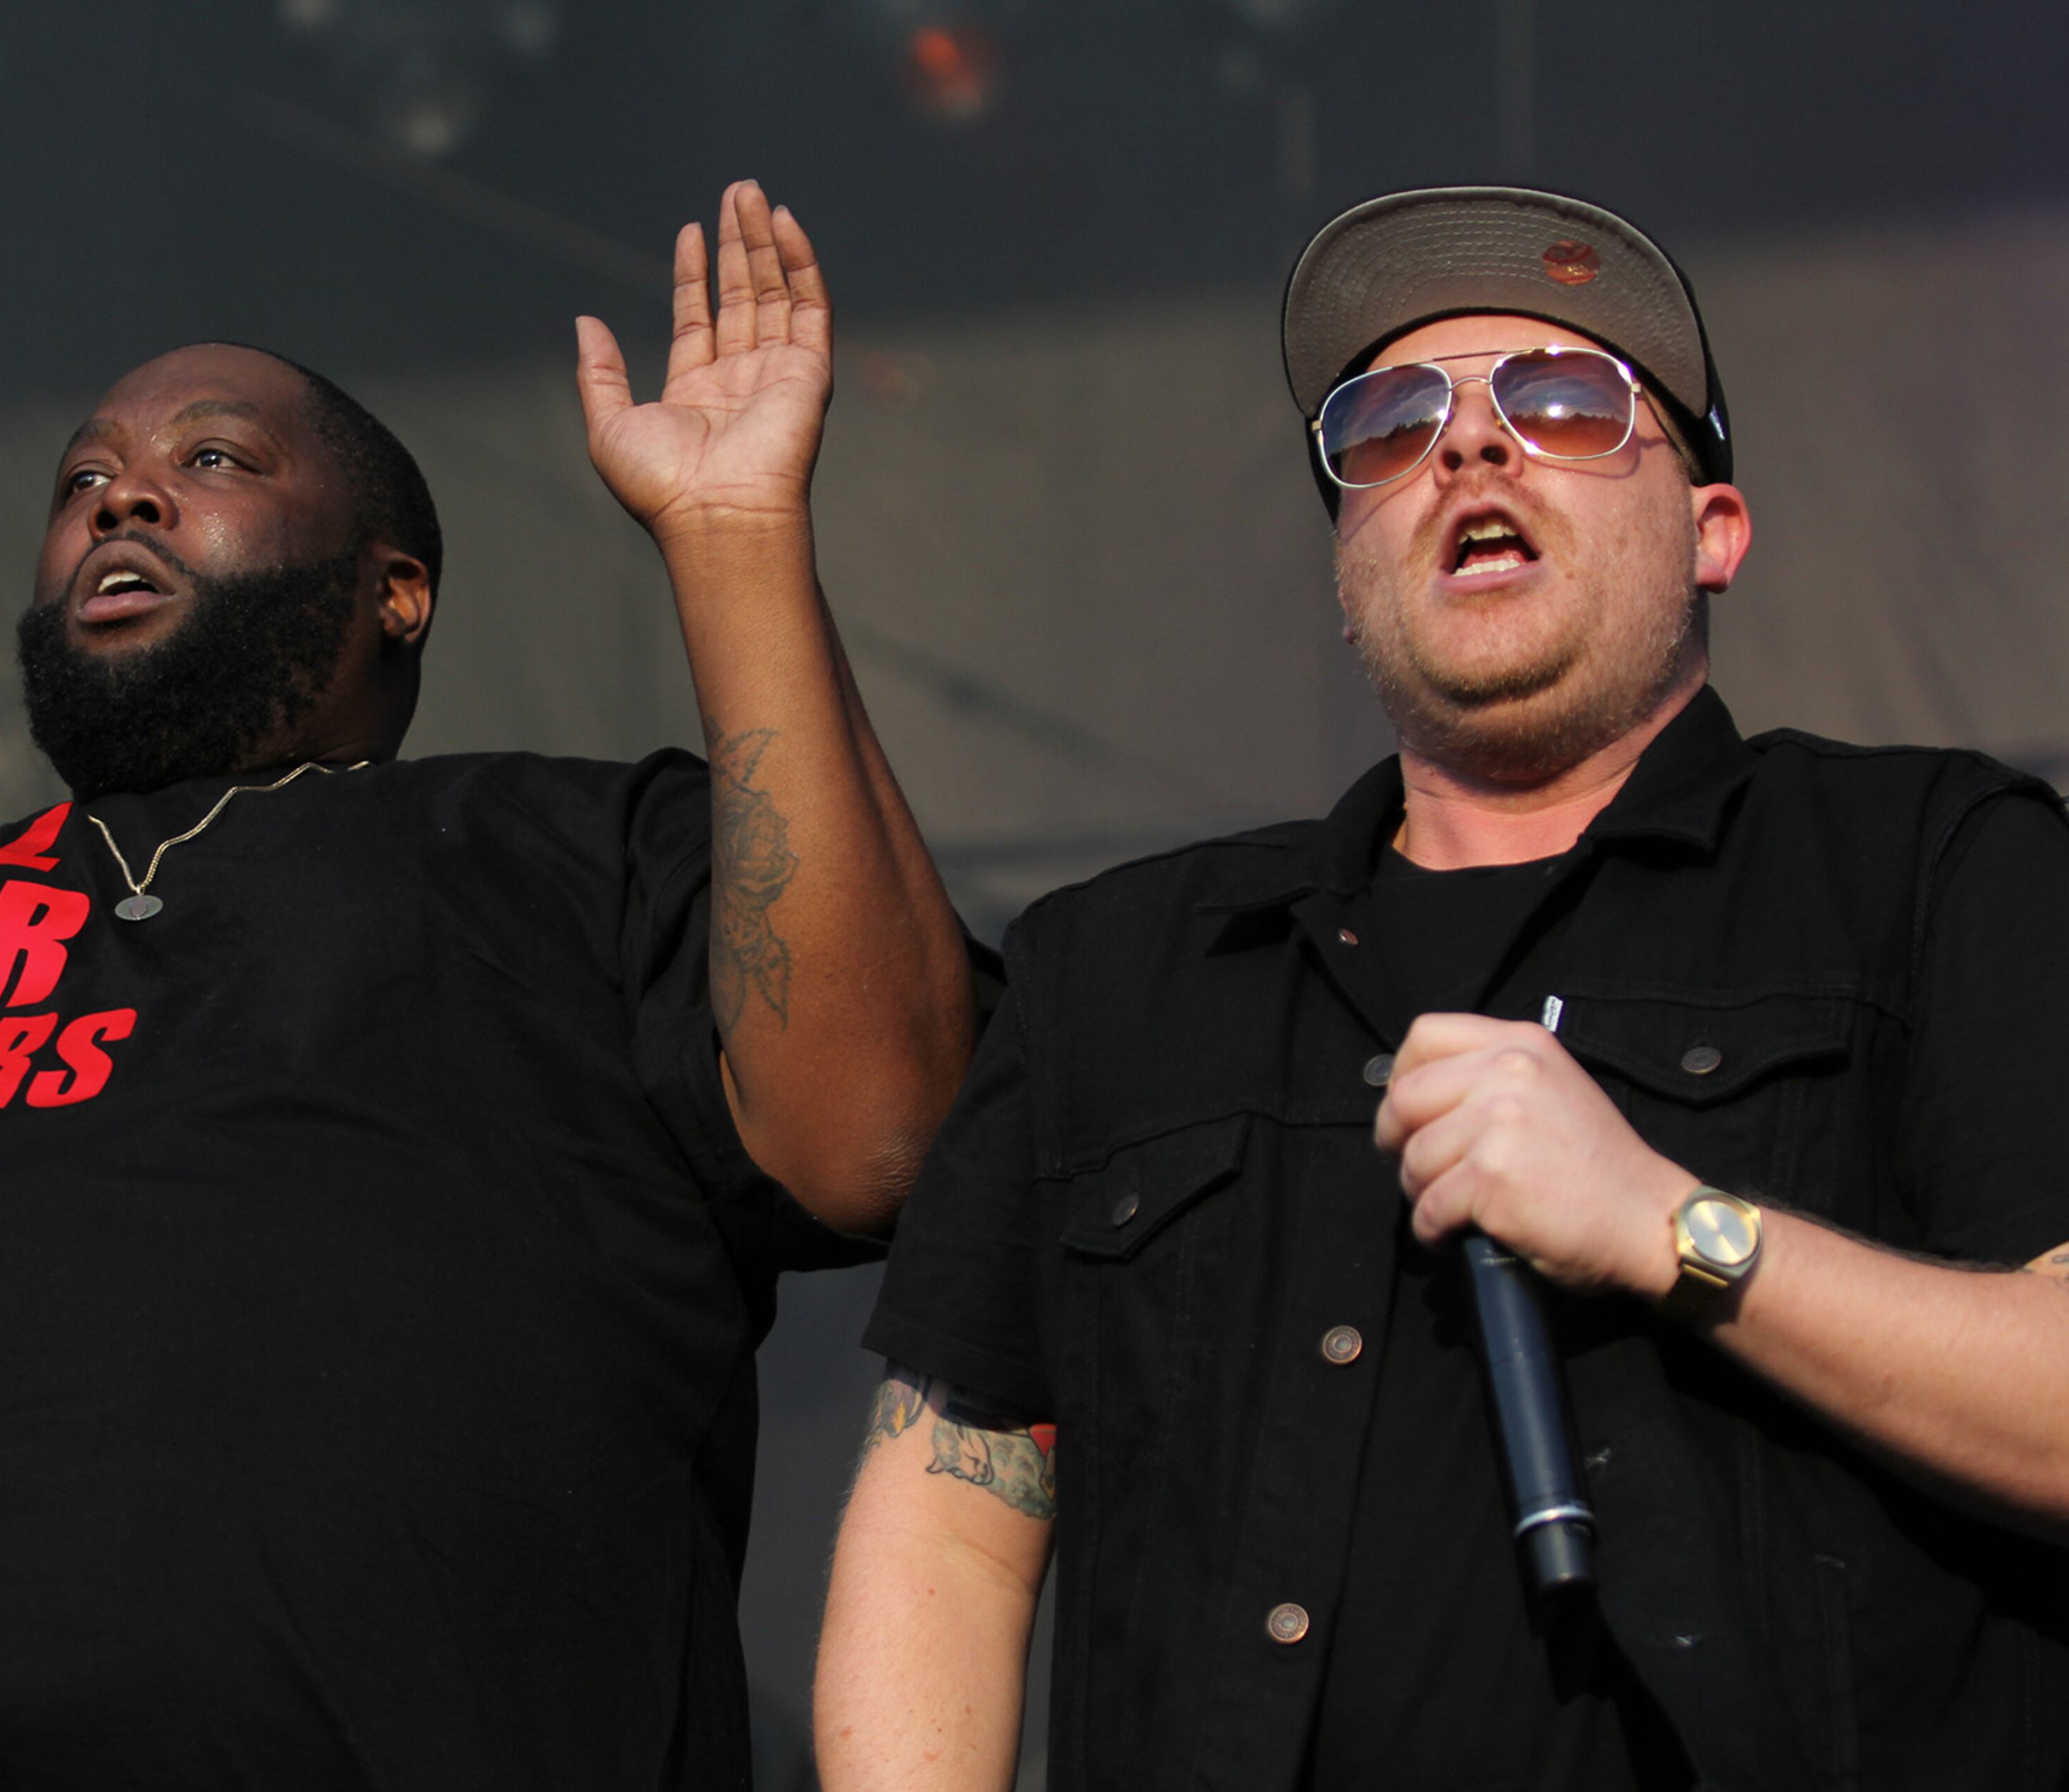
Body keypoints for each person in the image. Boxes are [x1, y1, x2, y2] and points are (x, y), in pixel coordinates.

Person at [0, 181, 977, 1787]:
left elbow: (875, 1132)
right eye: (83, 479)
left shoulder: (573, 858)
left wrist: (733, 533)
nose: (121, 498)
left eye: (211, 460)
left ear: (396, 587)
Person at [814, 186, 2069, 1791]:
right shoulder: (1121, 967)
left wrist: (1673, 1225)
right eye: (1391, 424)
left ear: (1714, 529)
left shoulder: (1931, 867)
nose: (1469, 443)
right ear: (1349, 561)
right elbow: (951, 1515)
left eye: (1565, 400)